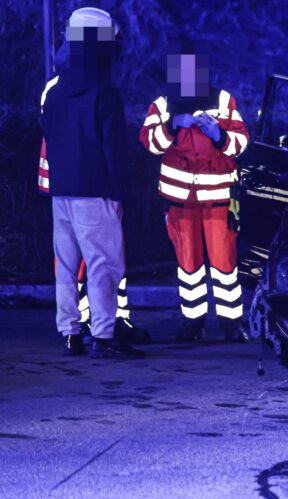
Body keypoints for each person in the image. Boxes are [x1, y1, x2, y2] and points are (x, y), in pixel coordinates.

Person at [39, 7, 141, 358]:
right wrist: (117, 193)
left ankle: (70, 333)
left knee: (66, 267)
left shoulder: (55, 92)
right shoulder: (103, 92)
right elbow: (113, 148)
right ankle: (104, 337)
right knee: (103, 266)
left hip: (61, 192)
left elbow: (49, 136)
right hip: (95, 193)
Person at [138, 45, 249, 342]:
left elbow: (241, 144)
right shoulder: (163, 105)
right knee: (188, 264)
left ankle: (231, 323)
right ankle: (193, 321)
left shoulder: (223, 100)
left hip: (218, 199)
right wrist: (173, 125)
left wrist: (218, 134)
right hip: (180, 201)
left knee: (224, 263)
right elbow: (150, 143)